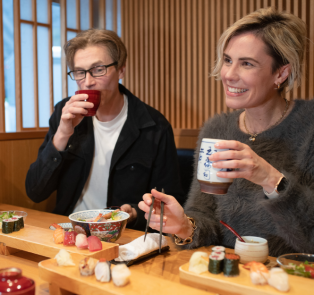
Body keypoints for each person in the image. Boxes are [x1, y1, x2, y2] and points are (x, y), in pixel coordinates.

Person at [139, 7, 314, 256]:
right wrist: (184, 225)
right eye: (228, 60)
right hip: (225, 271)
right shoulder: (217, 129)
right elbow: (204, 216)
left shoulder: (309, 127)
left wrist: (269, 178)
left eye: (247, 64)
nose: (229, 75)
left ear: (281, 73)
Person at [26, 29, 184, 231]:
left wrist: (135, 213)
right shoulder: (64, 113)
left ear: (121, 70)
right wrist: (62, 134)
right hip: (70, 231)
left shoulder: (154, 126)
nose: (88, 81)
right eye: (79, 72)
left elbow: (170, 201)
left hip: (122, 237)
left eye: (98, 69)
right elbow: (35, 192)